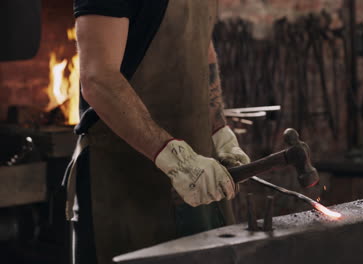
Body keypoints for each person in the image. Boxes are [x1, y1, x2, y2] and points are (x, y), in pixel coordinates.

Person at [64, 1, 250, 263]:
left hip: (200, 175)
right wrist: (176, 159)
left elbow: (202, 47)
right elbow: (99, 79)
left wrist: (218, 129)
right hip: (124, 189)